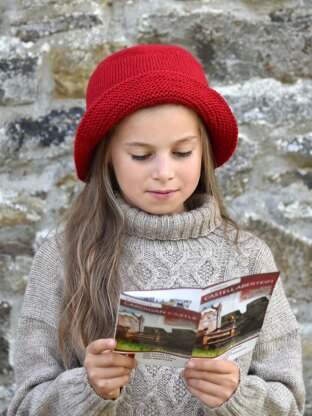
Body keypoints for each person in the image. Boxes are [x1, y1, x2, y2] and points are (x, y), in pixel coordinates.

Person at [8, 44, 305, 415]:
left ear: (204, 151)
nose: (164, 172)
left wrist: (238, 397)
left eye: (182, 152)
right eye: (141, 155)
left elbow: (290, 403)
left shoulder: (247, 255)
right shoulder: (64, 256)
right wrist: (87, 390)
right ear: (108, 156)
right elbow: (23, 406)